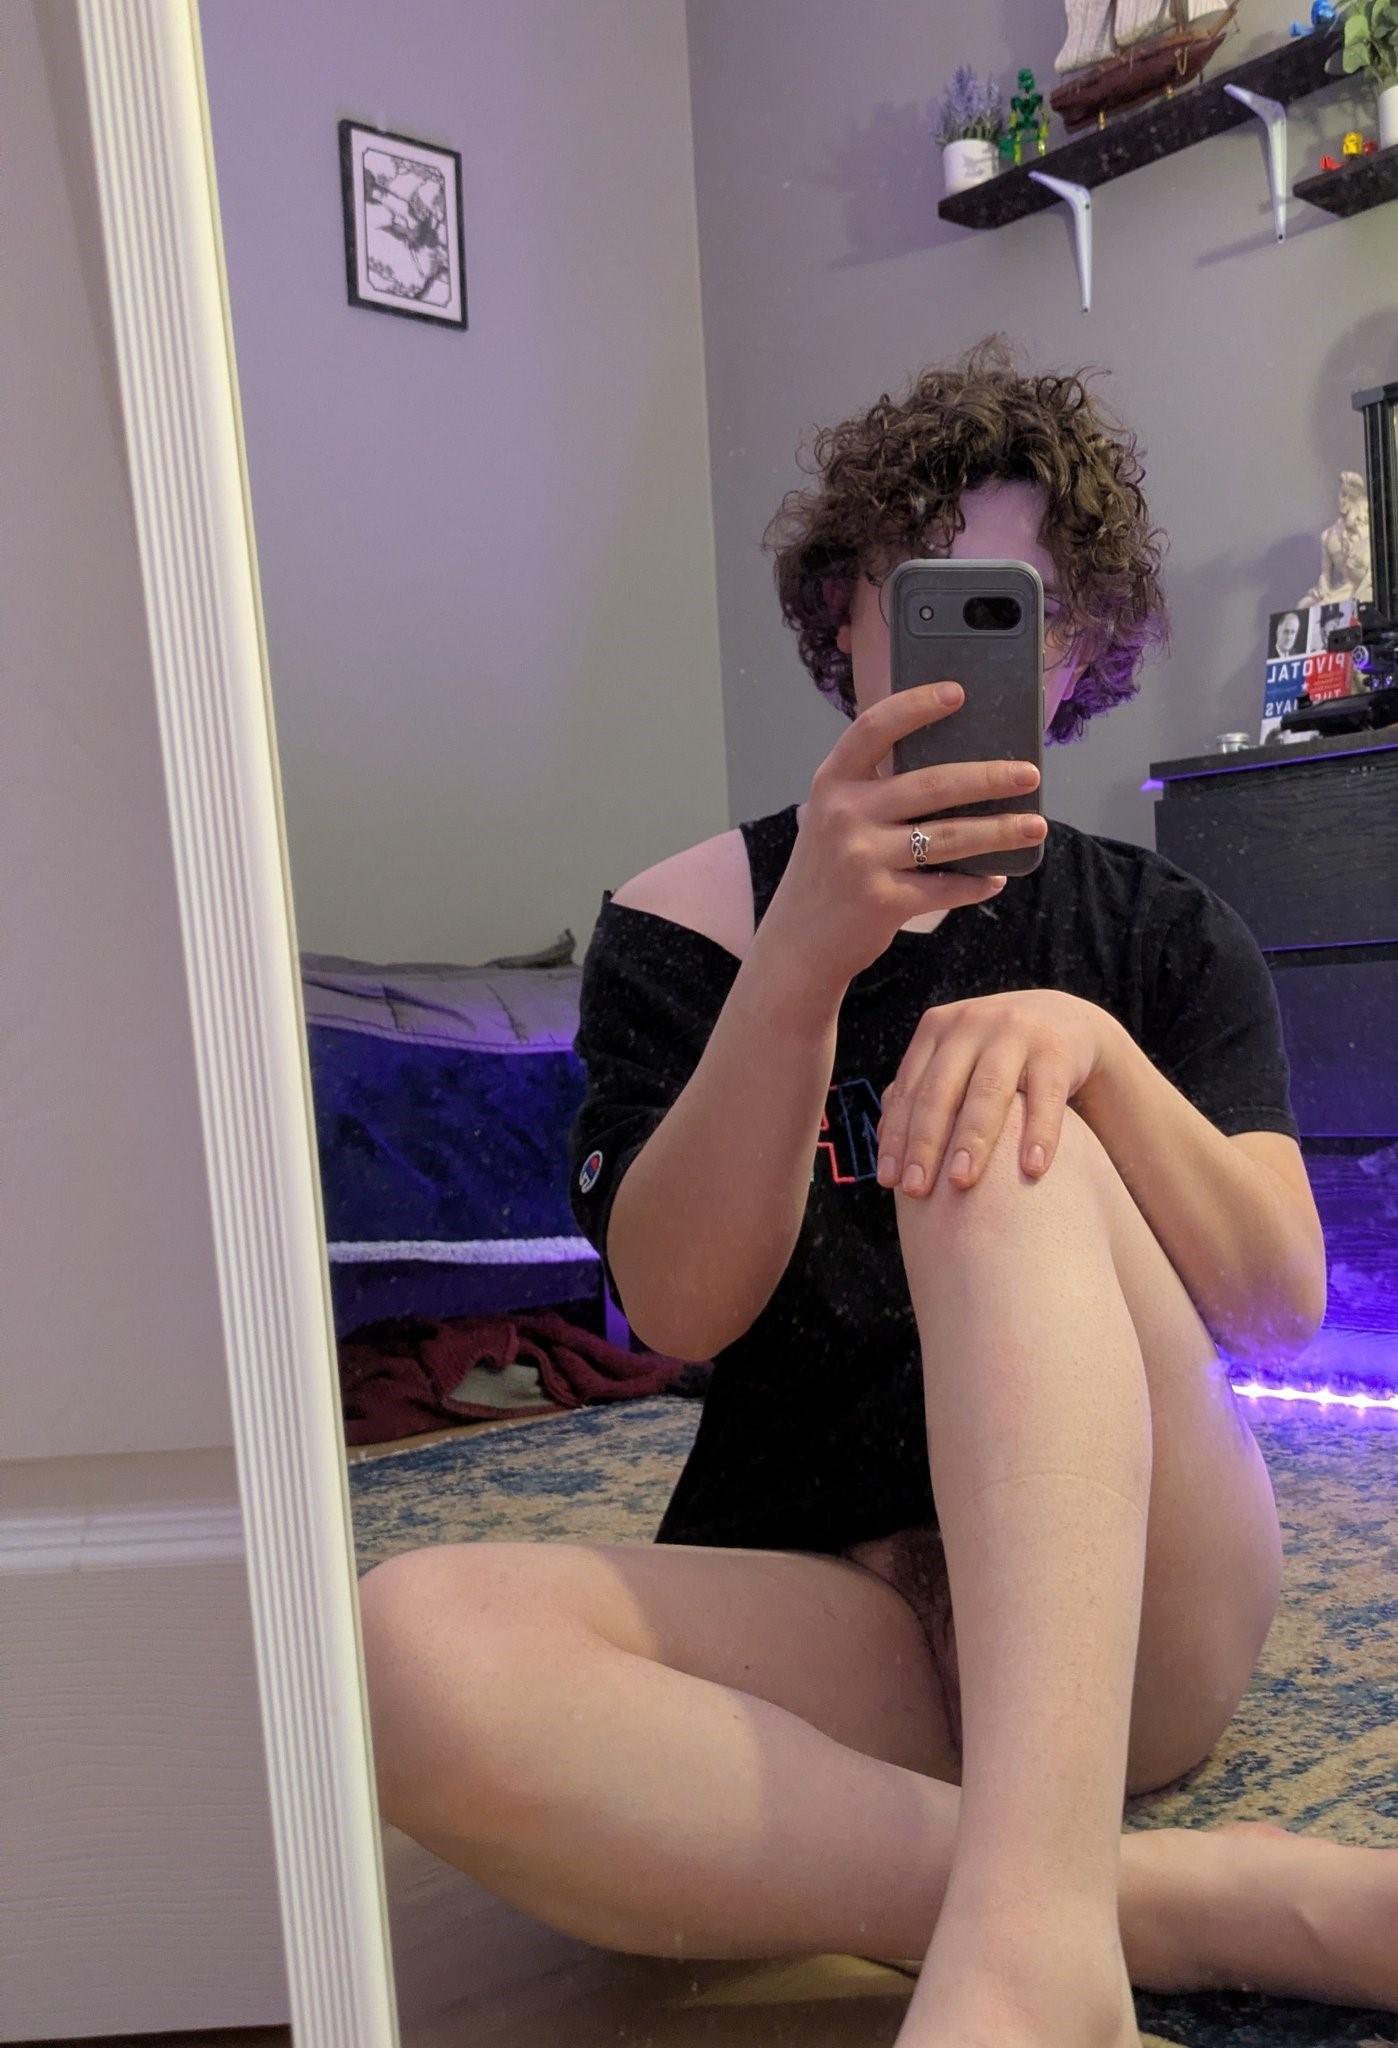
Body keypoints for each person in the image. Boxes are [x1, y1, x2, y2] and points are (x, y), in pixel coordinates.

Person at [357, 339, 1397, 2047]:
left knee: (994, 1111)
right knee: (408, 1652)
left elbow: (1276, 1302)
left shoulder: (1158, 931)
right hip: (840, 1607)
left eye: (1017, 610)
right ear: (842, 617)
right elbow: (678, 1308)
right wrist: (798, 967)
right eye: (917, 593)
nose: (961, 649)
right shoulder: (682, 923)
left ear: (1080, 649)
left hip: (1133, 1600)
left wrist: (1092, 1056)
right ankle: (1143, 1904)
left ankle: (1031, 1945)